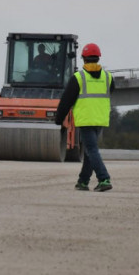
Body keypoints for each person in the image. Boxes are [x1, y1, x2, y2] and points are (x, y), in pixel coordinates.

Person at [54, 43, 115, 192]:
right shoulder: (108, 77)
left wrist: (58, 119)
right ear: (98, 58)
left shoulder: (78, 77)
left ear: (83, 59)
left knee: (92, 149)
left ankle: (104, 178)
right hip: (100, 119)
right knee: (89, 151)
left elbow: (66, 100)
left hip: (86, 119)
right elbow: (110, 91)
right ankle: (83, 182)